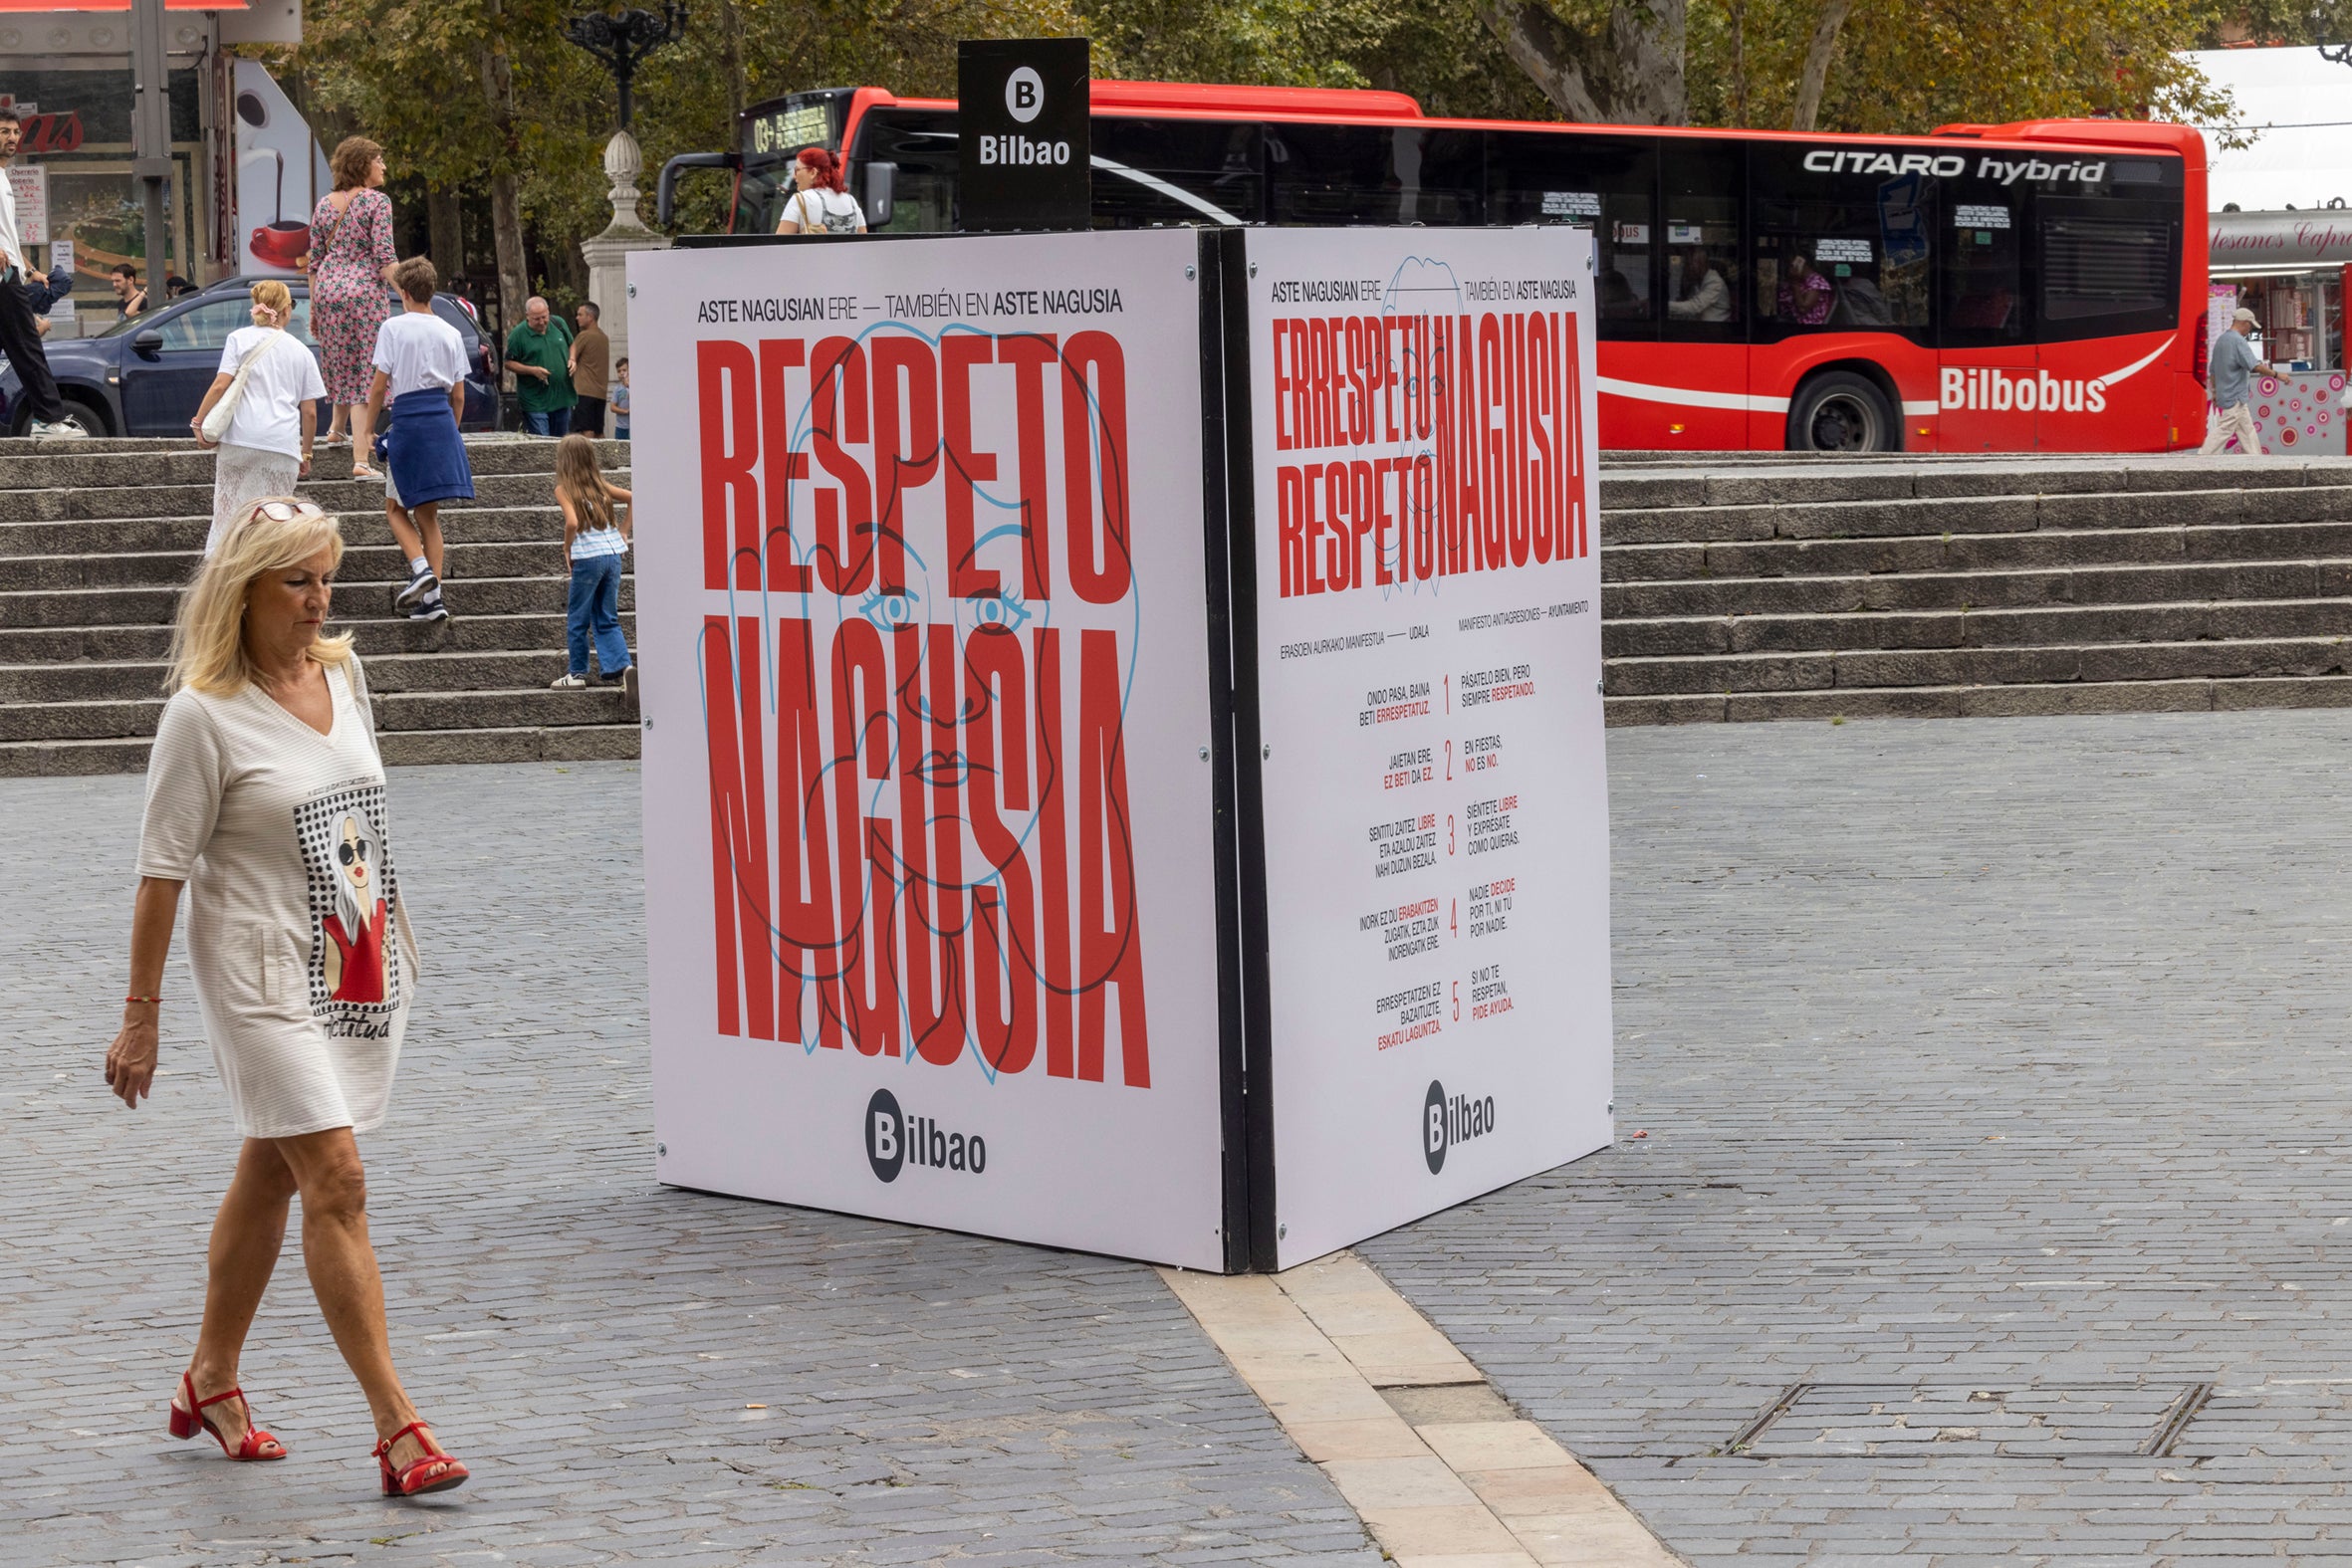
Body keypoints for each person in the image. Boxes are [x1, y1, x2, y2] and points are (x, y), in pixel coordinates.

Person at [105, 498, 469, 1499]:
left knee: (273, 1168)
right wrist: (141, 1016)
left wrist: (391, 942)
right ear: (243, 589)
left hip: (348, 967)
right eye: (297, 581)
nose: (318, 601)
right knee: (335, 1177)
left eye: (327, 579)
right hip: (256, 978)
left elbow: (363, 821)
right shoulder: (202, 715)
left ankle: (210, 1378)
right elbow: (160, 874)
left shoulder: (345, 676)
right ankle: (399, 1429)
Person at [362, 257, 471, 622]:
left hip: (408, 420)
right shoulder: (451, 332)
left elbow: (379, 387)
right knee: (428, 516)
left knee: (395, 508)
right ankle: (433, 600)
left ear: (404, 292)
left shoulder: (393, 328)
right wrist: (450, 431)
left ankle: (421, 569)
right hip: (441, 421)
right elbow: (459, 396)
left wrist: (368, 429)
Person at [189, 281, 326, 556]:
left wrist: (199, 422)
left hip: (239, 439)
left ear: (256, 306)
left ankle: (224, 566)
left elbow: (220, 385)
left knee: (228, 514)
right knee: (275, 519)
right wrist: (306, 453)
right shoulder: (301, 351)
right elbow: (309, 412)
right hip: (281, 445)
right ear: (286, 310)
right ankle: (266, 568)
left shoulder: (238, 339)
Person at [306, 136, 399, 471]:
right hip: (364, 295)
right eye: (378, 160)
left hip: (328, 292)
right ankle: (361, 458)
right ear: (363, 164)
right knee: (365, 374)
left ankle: (335, 429)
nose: (383, 165)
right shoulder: (377, 202)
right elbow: (385, 257)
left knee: (341, 361)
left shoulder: (324, 204)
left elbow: (314, 262)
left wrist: (314, 307)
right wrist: (409, 294)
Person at [0, 107, 84, 438]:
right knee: (27, 345)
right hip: (3, 278)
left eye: (15, 132)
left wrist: (31, 270)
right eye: (4, 131)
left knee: (23, 345)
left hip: (11, 273)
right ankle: (48, 419)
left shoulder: (4, 175)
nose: (12, 138)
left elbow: (7, 235)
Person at [549, 431, 633, 699]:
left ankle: (576, 674)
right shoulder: (600, 486)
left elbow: (572, 523)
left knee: (577, 618)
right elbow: (633, 497)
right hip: (612, 556)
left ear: (564, 461)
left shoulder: (563, 489)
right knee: (607, 617)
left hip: (588, 559)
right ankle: (625, 668)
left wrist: (566, 547)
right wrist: (623, 530)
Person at [2202, 306, 2276, 456]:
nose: (2250, 329)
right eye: (2250, 325)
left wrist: (2215, 392)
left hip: (2230, 394)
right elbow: (2254, 365)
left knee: (2247, 429)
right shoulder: (2238, 341)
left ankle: (2255, 457)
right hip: (2235, 394)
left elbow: (2213, 370)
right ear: (2244, 323)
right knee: (2225, 428)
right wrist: (2277, 375)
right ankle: (2204, 455)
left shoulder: (2221, 340)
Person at [503, 296, 574, 437]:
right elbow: (508, 363)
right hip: (535, 400)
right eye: (536, 319)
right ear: (527, 316)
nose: (541, 322)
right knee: (543, 441)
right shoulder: (517, 335)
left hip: (561, 397)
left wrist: (573, 359)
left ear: (548, 312)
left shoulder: (558, 323)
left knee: (561, 442)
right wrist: (532, 371)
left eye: (544, 317)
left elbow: (572, 344)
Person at [775, 147, 867, 235]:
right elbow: (863, 241)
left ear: (813, 173)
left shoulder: (801, 199)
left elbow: (779, 243)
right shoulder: (852, 202)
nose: (794, 176)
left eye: (797, 170)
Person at [569, 301, 610, 438]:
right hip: (600, 392)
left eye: (580, 314)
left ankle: (586, 453)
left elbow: (571, 355)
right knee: (598, 431)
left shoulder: (584, 336)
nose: (577, 318)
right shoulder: (603, 337)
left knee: (585, 430)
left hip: (584, 391)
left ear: (590, 317)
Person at [1667, 245, 1730, 323]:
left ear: (1702, 265)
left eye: (1691, 264)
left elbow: (1694, 307)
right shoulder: (1698, 280)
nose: (1688, 268)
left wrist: (1665, 306)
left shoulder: (1715, 282)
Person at [1777, 252, 1833, 326]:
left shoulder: (1817, 282)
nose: (1789, 270)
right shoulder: (1798, 280)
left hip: (1806, 323)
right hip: (1788, 318)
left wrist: (1795, 284)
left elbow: (1803, 308)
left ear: (1801, 265)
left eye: (1791, 266)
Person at [610, 356, 630, 441]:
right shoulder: (617, 389)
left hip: (631, 426)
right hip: (620, 427)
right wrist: (625, 411)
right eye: (619, 371)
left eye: (624, 370)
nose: (621, 373)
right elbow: (612, 407)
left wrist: (628, 386)